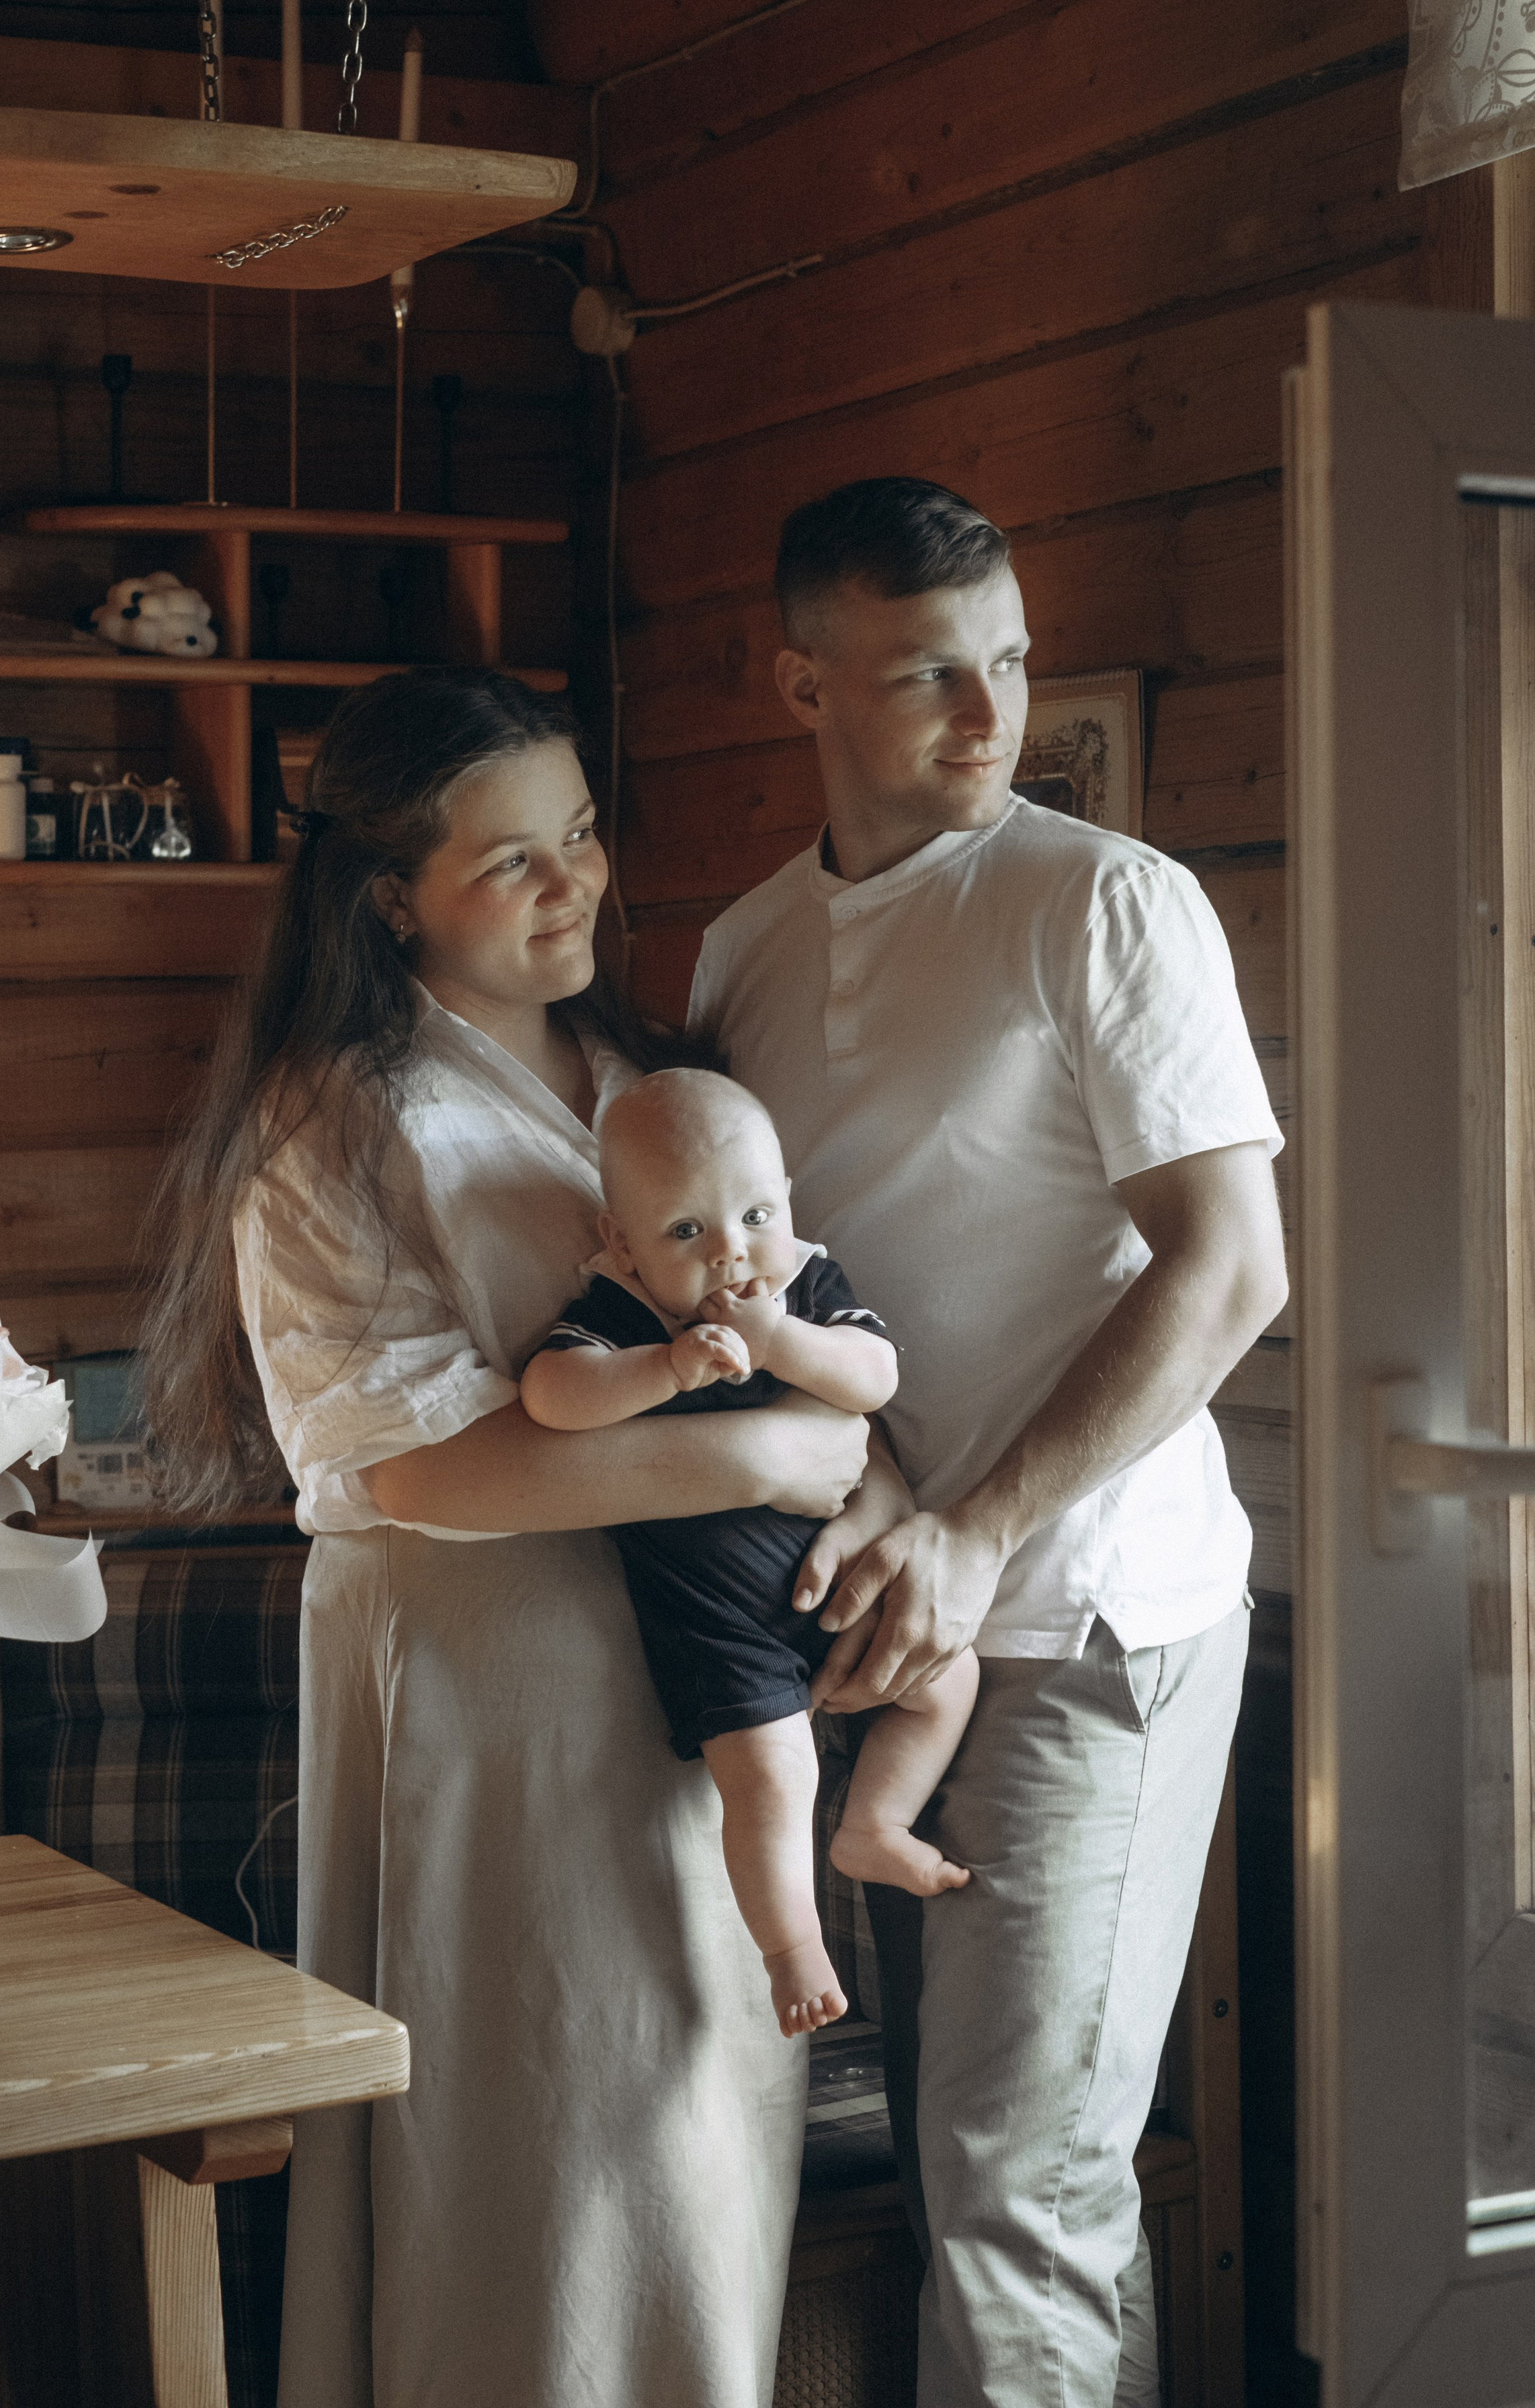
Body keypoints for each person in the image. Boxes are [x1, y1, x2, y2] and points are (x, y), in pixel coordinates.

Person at [139, 669, 881, 2408]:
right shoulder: (338, 1113)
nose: (578, 887)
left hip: (699, 1676)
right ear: (392, 894)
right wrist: (780, 1452)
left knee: (695, 2118)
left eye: (586, 837)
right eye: (515, 864)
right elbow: (427, 1473)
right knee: (527, 2143)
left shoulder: (651, 1079)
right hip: (486, 1682)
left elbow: (803, 1315)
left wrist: (824, 1445)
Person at [688, 478, 1288, 2408]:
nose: (991, 711)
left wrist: (976, 1525)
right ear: (801, 683)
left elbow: (1230, 1274)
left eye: (1011, 662)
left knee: (1021, 2186)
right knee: (1008, 2196)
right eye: (934, 672)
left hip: (1093, 1623)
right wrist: (883, 1515)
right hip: (879, 1634)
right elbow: (759, 1297)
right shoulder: (739, 953)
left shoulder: (1107, 900)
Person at [521, 1066, 976, 2040]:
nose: (732, 1254)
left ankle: (875, 1825)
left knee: (949, 1675)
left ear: (789, 1201)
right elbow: (550, 1396)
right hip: (721, 1627)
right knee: (772, 1777)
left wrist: (780, 1341)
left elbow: (876, 1373)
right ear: (624, 1243)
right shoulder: (627, 1311)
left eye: (755, 1214)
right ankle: (792, 1949)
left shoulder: (804, 1283)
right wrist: (666, 1366)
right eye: (687, 1232)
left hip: (838, 1582)